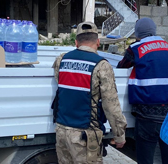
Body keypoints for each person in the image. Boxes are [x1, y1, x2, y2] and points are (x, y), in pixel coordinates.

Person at [52, 22, 128, 163]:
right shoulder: (101, 65)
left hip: (61, 132)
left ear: (76, 42)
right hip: (85, 135)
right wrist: (119, 135)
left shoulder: (61, 60)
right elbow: (111, 105)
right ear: (98, 42)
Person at [117, 18, 168, 164]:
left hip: (146, 114)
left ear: (137, 33)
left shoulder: (135, 48)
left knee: (145, 159)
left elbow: (121, 67)